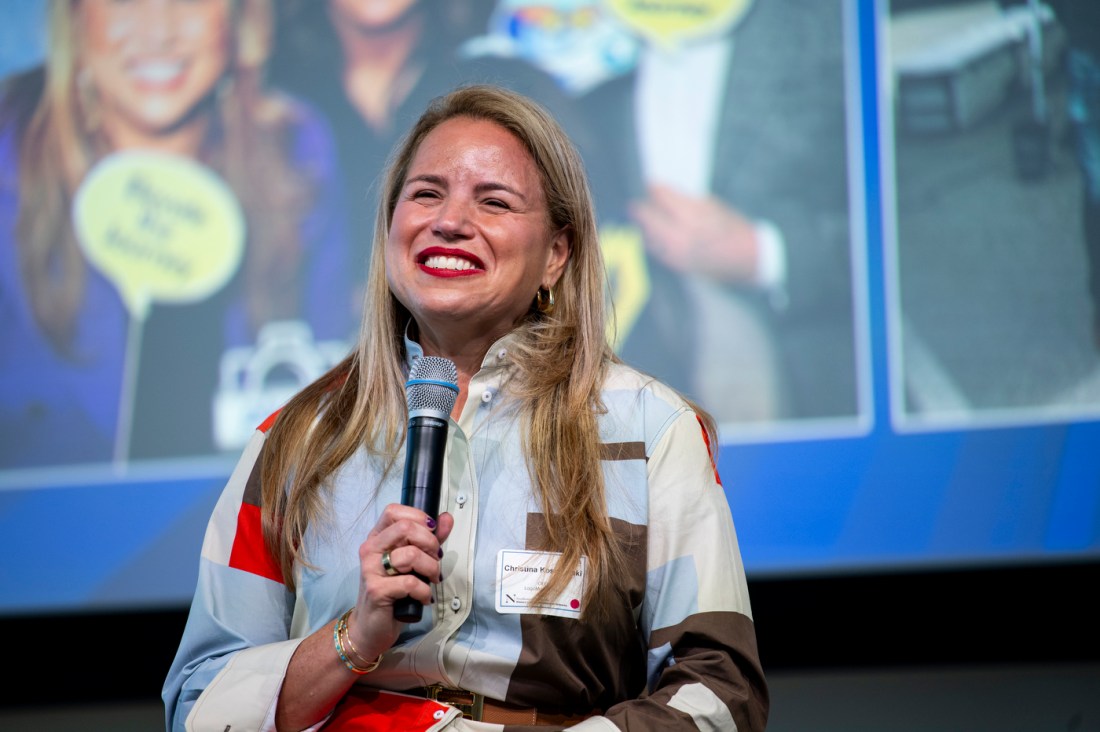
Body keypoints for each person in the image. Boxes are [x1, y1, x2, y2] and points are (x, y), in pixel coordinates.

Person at [163, 84, 768, 731]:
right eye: (426, 193)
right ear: (390, 226)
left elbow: (718, 690)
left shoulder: (650, 429)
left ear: (556, 255)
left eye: (494, 200)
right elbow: (200, 705)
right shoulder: (295, 440)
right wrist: (353, 638)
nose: (449, 220)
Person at [0, 0, 353, 468]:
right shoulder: (11, 148)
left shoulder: (297, 152)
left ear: (239, 15)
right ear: (76, 15)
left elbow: (326, 415)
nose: (159, 31)